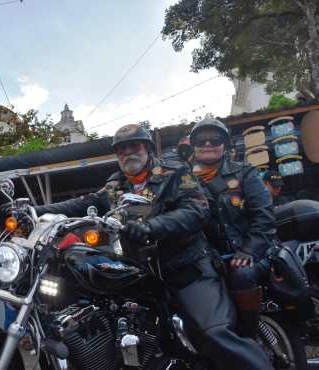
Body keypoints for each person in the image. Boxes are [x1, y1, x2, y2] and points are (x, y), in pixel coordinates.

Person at [24, 123, 273, 370]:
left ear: (148, 149)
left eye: (135, 146)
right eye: (121, 149)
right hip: (143, 276)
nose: (128, 152)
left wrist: (152, 226)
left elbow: (197, 209)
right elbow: (81, 203)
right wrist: (31, 210)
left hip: (187, 269)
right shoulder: (115, 186)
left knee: (215, 334)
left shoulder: (175, 173)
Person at [190, 118, 276, 339]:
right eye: (201, 139)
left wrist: (249, 250)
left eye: (215, 139)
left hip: (247, 251)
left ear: (225, 145)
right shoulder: (182, 181)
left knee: (242, 275)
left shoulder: (244, 172)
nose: (208, 144)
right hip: (208, 258)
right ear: (194, 145)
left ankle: (249, 338)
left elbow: (264, 215)